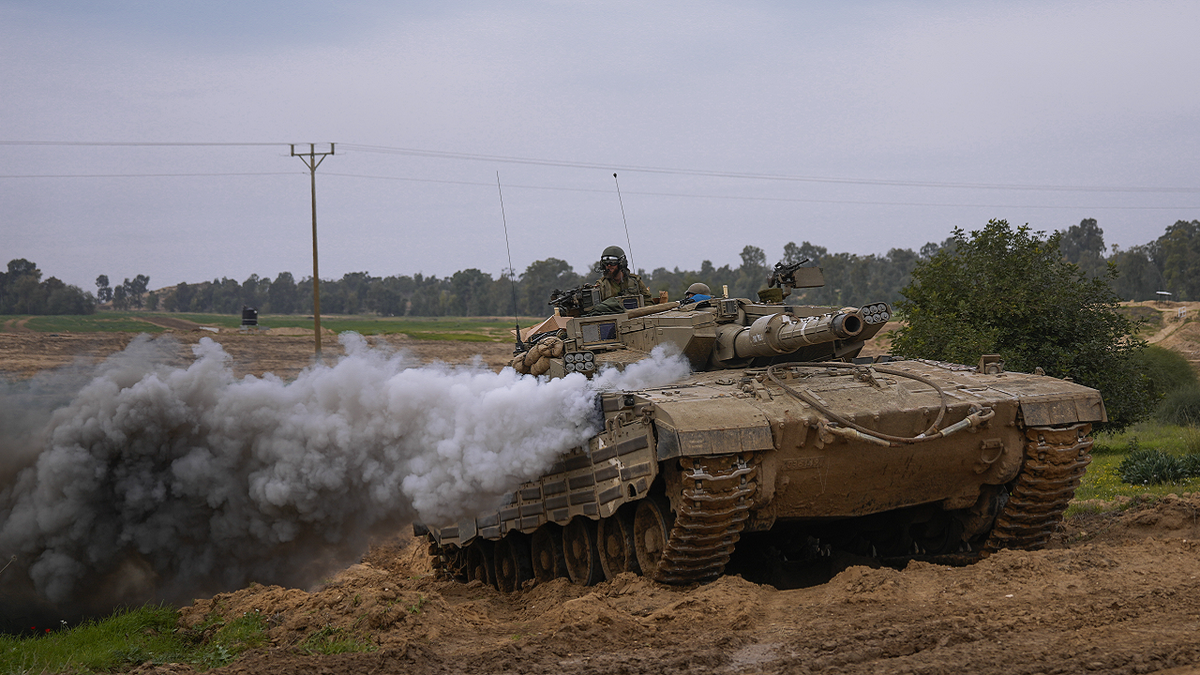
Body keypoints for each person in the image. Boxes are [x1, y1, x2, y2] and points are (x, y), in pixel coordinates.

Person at [585, 245, 652, 315]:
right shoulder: (601, 286)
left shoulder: (635, 282)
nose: (608, 266)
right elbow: (595, 311)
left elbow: (648, 302)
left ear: (621, 263)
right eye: (605, 263)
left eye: (612, 262)